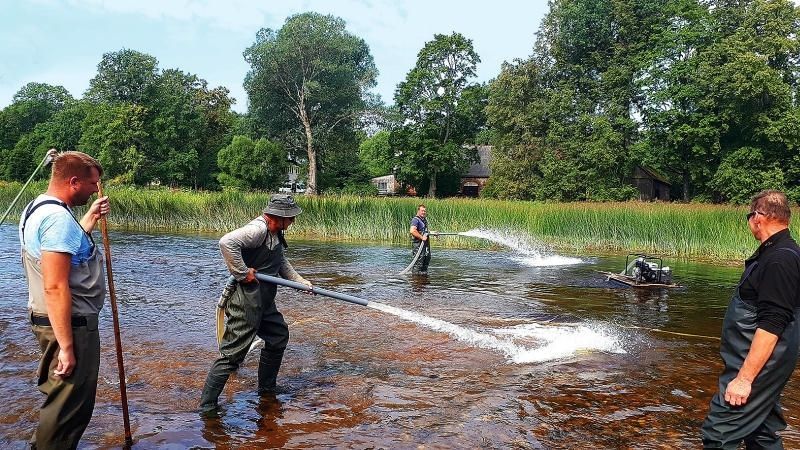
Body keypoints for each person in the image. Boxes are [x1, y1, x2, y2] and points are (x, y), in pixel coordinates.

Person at [19, 151, 109, 450]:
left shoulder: (39, 208)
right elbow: (56, 286)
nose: (96, 189)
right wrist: (68, 348)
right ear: (73, 181)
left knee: (60, 401)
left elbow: (69, 252)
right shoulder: (57, 219)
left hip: (52, 321)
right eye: (92, 183)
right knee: (68, 411)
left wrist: (92, 216)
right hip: (69, 325)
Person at [702, 190, 800, 449]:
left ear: (759, 217)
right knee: (762, 433)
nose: (749, 222)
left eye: (749, 215)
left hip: (755, 365)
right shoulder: (775, 252)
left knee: (719, 434)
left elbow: (773, 323)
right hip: (754, 361)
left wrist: (745, 379)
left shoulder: (780, 259)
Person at [200, 194, 312, 414]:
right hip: (246, 301)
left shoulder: (276, 232)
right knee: (232, 355)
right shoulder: (257, 230)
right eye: (289, 218)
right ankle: (207, 407)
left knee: (279, 336)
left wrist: (301, 283)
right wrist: (242, 273)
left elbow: (280, 262)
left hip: (265, 301)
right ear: (275, 217)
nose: (292, 222)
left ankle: (267, 389)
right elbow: (226, 242)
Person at [409, 204, 432, 273]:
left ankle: (423, 279)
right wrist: (422, 237)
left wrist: (433, 233)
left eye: (425, 211)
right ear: (418, 211)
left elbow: (426, 231)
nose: (424, 212)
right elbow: (412, 231)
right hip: (418, 245)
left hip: (425, 245)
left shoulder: (424, 220)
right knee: (418, 262)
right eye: (422, 211)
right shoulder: (415, 220)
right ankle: (415, 279)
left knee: (426, 259)